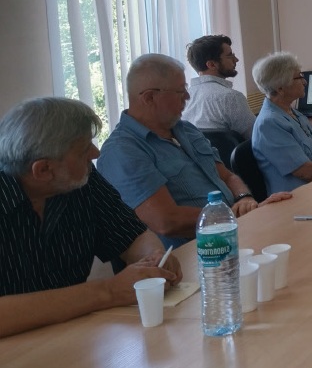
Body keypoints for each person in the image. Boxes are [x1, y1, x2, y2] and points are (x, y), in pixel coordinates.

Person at [0, 97, 181, 338]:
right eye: (83, 150)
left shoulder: (80, 180)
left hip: (77, 335)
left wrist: (153, 259)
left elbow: (131, 235)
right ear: (43, 170)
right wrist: (108, 292)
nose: (95, 153)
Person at [98, 54, 292, 248]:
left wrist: (245, 199)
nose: (187, 96)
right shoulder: (122, 152)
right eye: (180, 91)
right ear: (149, 97)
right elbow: (167, 221)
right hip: (195, 252)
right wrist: (237, 216)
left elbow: (227, 176)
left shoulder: (186, 130)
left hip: (235, 231)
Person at [251, 52, 312, 194]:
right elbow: (304, 171)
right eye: (299, 77)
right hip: (299, 195)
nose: (305, 82)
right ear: (280, 88)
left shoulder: (295, 114)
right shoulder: (269, 124)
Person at [183, 34, 256, 139]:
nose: (236, 59)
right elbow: (257, 137)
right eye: (230, 56)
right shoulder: (231, 97)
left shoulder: (183, 97)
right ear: (212, 64)